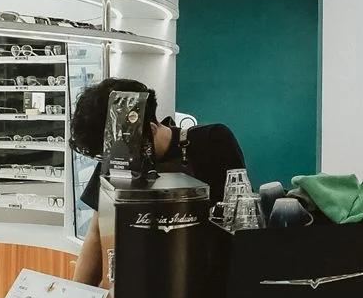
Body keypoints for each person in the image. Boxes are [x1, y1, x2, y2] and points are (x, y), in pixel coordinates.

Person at [69, 77, 245, 285]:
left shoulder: (212, 142)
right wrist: (78, 295)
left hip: (205, 284)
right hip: (139, 288)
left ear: (151, 129)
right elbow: (97, 232)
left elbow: (238, 220)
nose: (113, 159)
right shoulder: (116, 160)